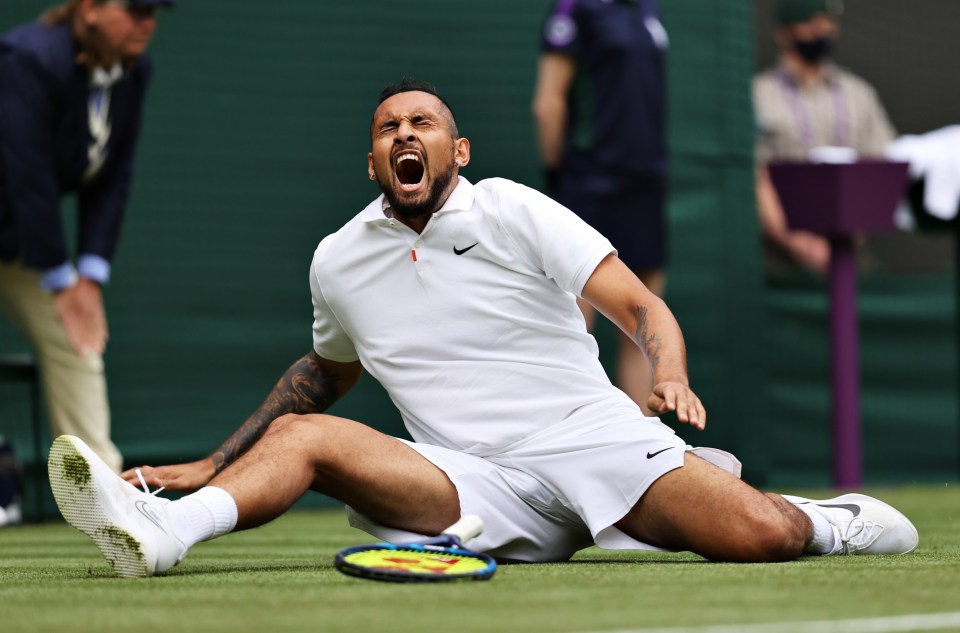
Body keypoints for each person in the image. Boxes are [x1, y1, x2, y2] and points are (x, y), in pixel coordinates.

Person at [48, 79, 917, 578]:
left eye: (422, 122)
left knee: (757, 537)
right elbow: (323, 374)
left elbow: (642, 307)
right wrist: (210, 463)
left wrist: (670, 373)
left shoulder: (512, 209)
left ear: (457, 151)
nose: (404, 134)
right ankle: (166, 527)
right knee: (306, 433)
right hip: (470, 481)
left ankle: (824, 518)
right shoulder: (338, 258)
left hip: (590, 439)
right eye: (388, 127)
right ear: (373, 161)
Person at [0, 0, 174, 473]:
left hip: (17, 240)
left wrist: (89, 278)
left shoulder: (135, 71)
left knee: (77, 341)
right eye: (136, 8)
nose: (147, 22)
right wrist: (62, 281)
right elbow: (26, 174)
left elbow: (112, 177)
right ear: (90, 9)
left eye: (155, 11)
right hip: (24, 225)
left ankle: (101, 490)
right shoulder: (28, 60)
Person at [532, 0, 668, 413]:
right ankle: (569, 441)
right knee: (576, 323)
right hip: (589, 182)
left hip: (645, 183)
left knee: (642, 323)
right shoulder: (574, 11)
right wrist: (563, 175)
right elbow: (548, 103)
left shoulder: (648, 9)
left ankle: (648, 454)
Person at [753, 0, 896, 273]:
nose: (822, 30)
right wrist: (801, 244)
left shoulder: (858, 94)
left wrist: (850, 236)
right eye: (811, 23)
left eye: (828, 22)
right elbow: (755, 180)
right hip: (778, 260)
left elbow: (881, 168)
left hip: (851, 252)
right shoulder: (759, 95)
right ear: (784, 33)